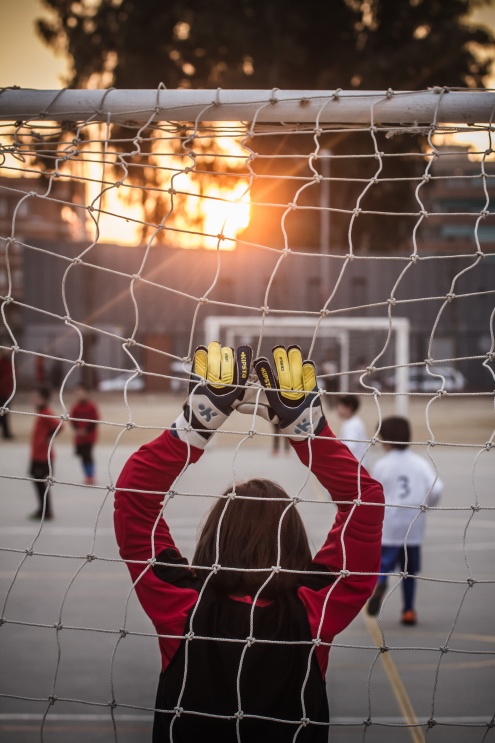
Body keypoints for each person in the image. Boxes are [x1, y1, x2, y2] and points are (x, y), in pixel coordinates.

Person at [114, 342, 384, 741]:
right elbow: (366, 503)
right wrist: (310, 433)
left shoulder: (182, 606)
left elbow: (134, 498)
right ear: (293, 545)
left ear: (214, 537)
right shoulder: (312, 612)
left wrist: (194, 425)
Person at [367, 416, 443, 625]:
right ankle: (408, 610)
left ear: (387, 440)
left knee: (384, 565)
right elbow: (436, 488)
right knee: (409, 571)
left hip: (390, 524)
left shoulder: (382, 465)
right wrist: (426, 505)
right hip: (413, 524)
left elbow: (373, 491)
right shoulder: (420, 463)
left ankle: (381, 584)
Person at [29, 386, 60, 520]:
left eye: (36, 397)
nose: (33, 399)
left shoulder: (46, 412)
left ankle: (46, 511)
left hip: (43, 457)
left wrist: (47, 438)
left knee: (41, 482)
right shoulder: (40, 411)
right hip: (36, 455)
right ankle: (43, 509)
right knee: (37, 481)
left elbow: (59, 425)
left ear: (43, 398)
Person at [70, 384, 100, 484]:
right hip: (79, 437)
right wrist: (78, 430)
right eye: (78, 394)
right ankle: (87, 475)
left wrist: (86, 430)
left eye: (82, 394)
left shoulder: (91, 406)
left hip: (89, 436)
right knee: (82, 455)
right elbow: (72, 420)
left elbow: (95, 420)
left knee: (88, 455)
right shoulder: (75, 407)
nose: (80, 396)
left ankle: (90, 476)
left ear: (87, 394)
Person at [336, 394, 369, 466]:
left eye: (341, 406)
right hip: (355, 465)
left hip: (354, 466)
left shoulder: (353, 425)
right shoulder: (350, 422)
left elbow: (350, 447)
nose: (338, 409)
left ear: (349, 407)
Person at [0, 348, 14, 440]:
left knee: (4, 413)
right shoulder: (2, 363)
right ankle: (6, 433)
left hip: (7, 392)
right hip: (2, 392)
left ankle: (6, 432)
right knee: (3, 413)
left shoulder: (8, 363)